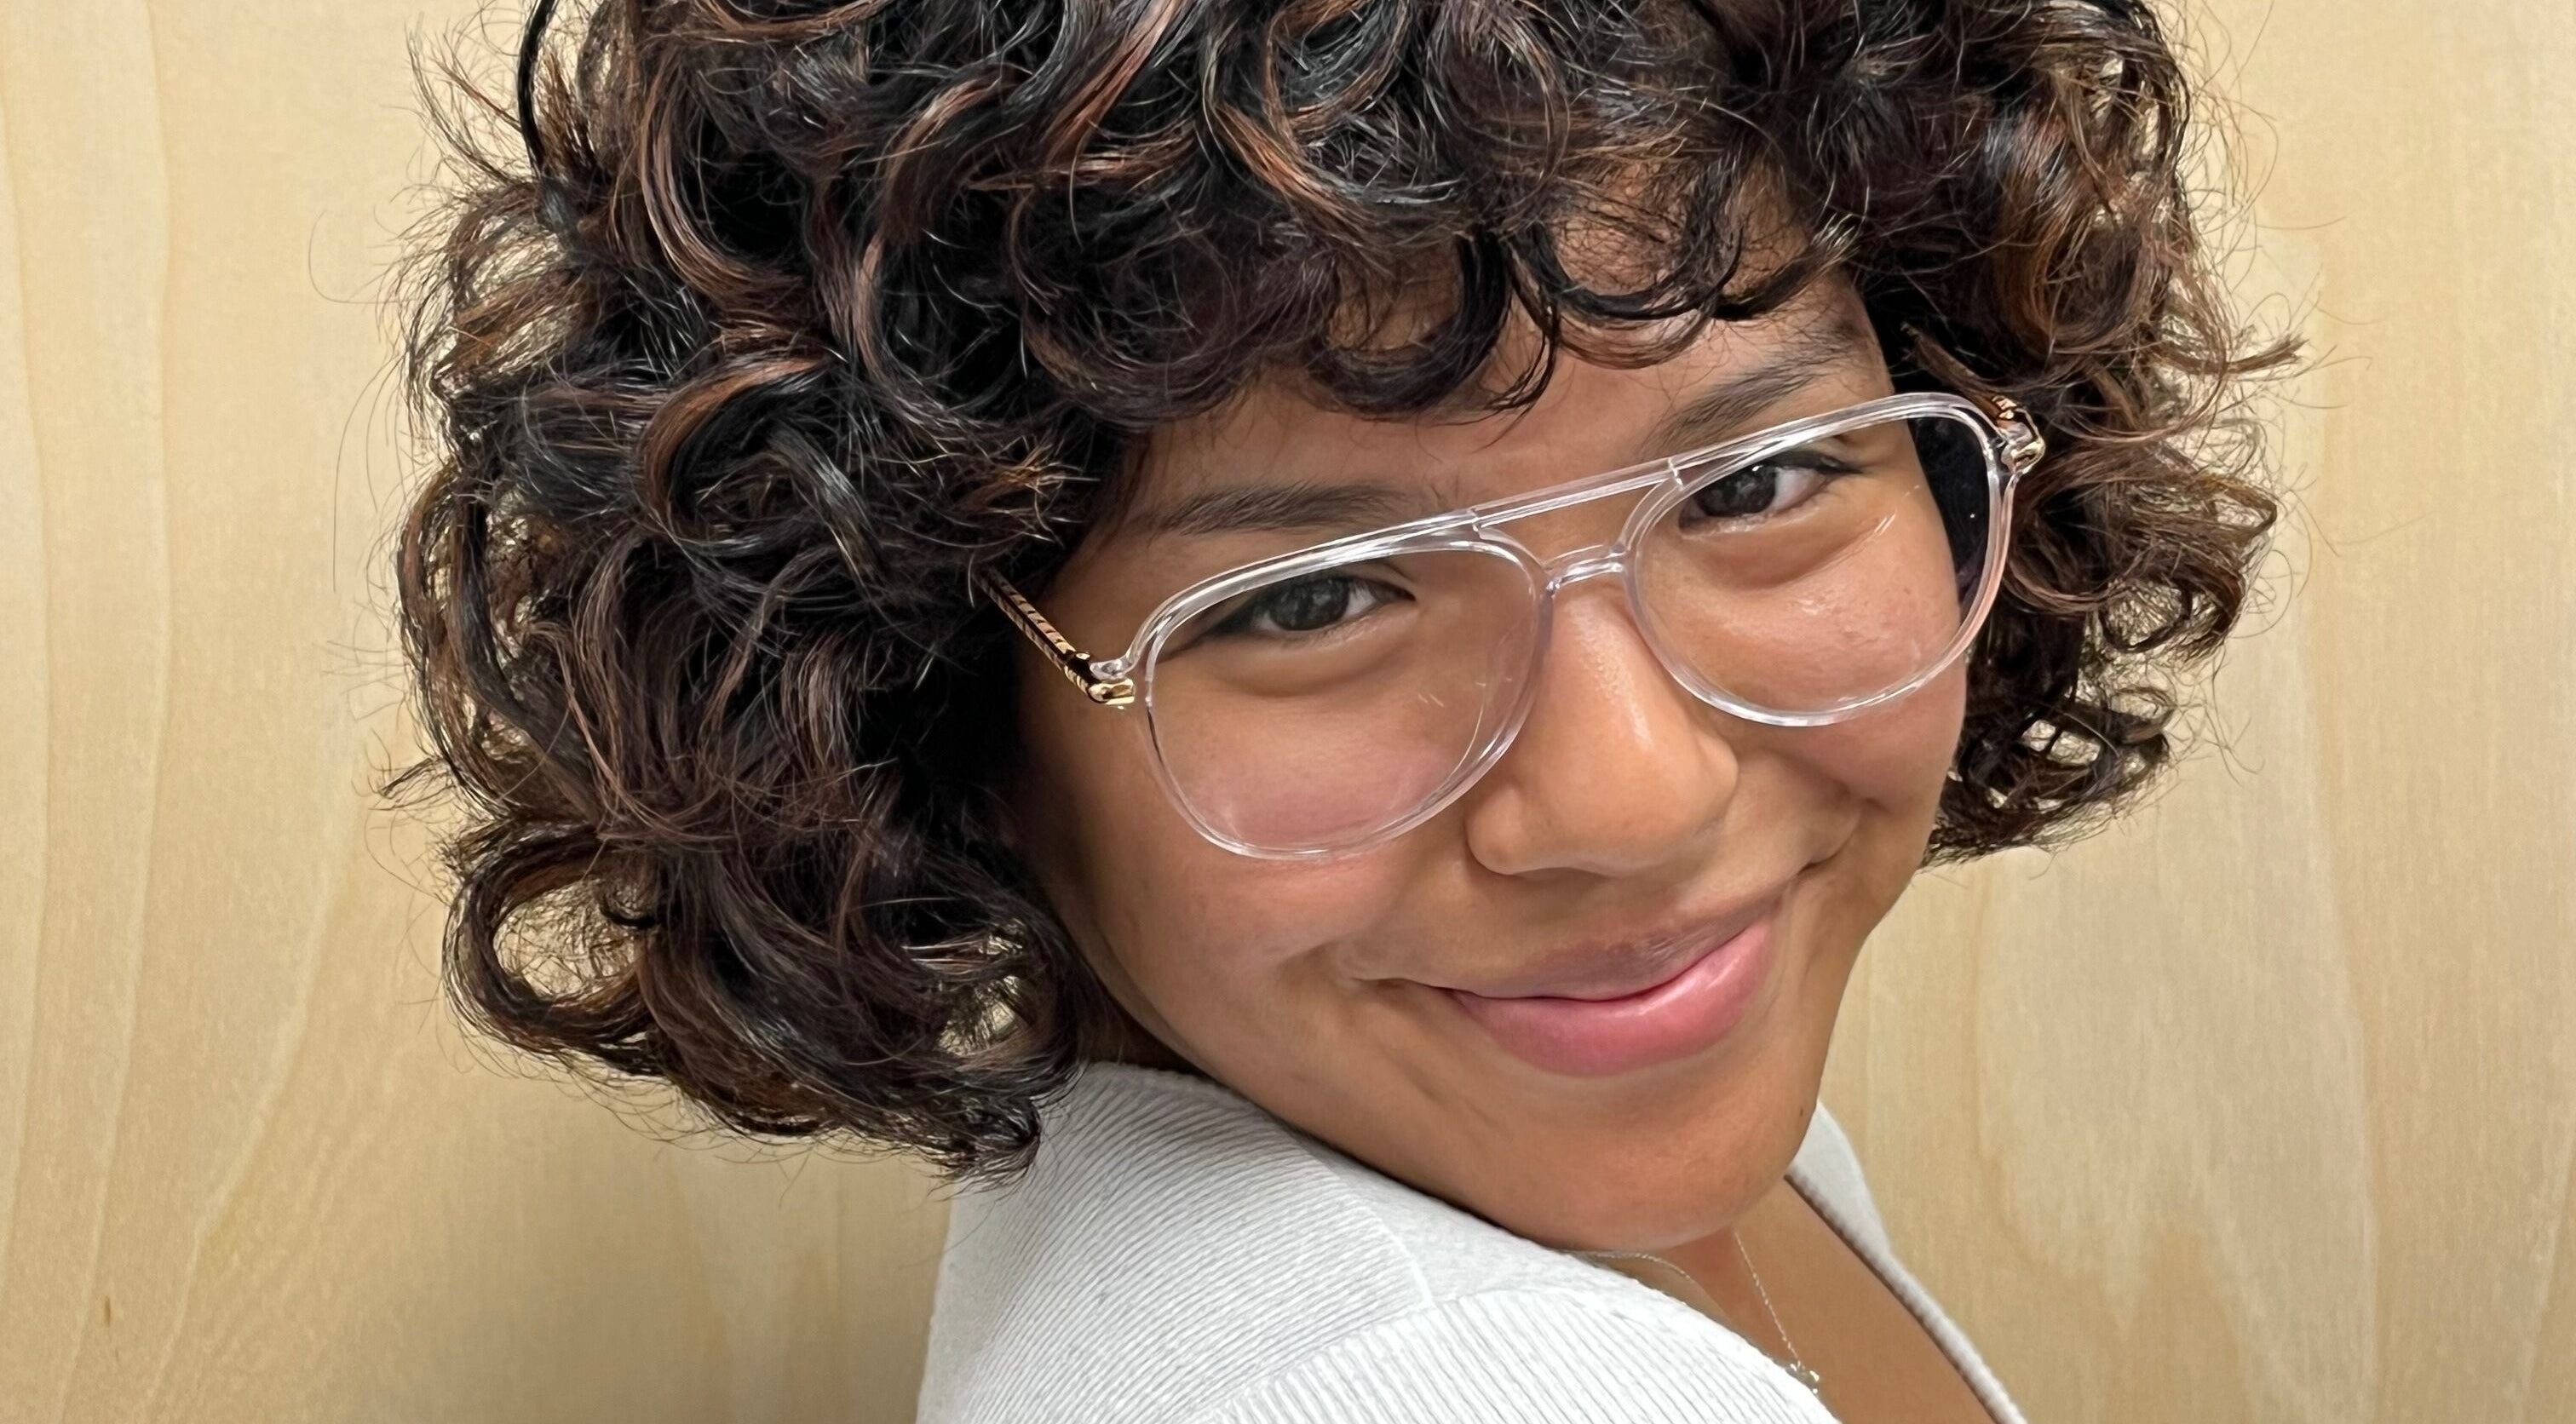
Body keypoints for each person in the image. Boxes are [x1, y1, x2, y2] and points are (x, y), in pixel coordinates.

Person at [388, 0, 2291, 1418]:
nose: (1629, 794)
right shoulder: (1453, 1376)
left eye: (1754, 484)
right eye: (1312, 599)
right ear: (942, 714)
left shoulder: (1525, 1127)